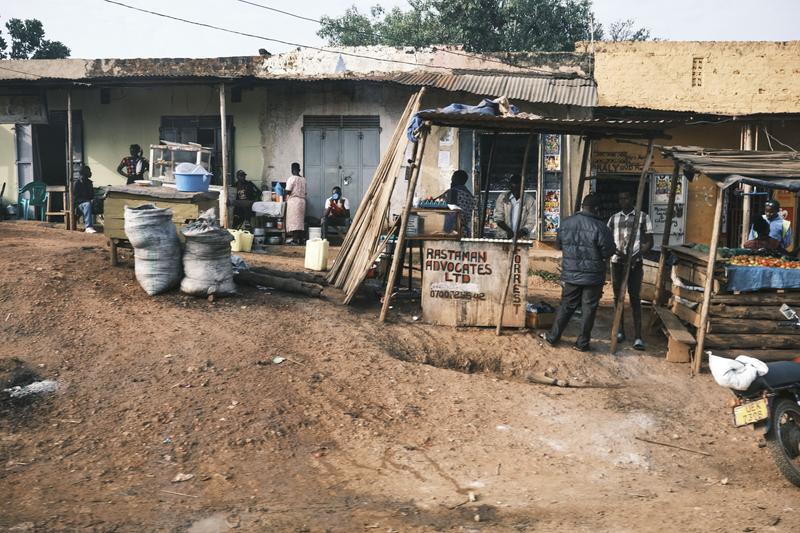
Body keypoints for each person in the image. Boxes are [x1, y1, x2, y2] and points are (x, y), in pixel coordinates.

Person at [542, 194, 615, 352]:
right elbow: (608, 251)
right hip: (593, 276)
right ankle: (582, 343)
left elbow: (558, 245)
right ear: (596, 209)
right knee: (588, 309)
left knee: (567, 306)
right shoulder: (601, 227)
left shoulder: (567, 223)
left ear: (582, 206)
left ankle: (553, 337)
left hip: (571, 274)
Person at [608, 191, 654, 350]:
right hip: (617, 262)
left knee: (635, 298)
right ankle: (619, 331)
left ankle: (638, 336)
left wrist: (638, 253)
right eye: (621, 198)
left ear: (633, 199)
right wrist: (616, 252)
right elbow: (608, 241)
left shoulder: (643, 217)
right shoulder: (614, 218)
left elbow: (649, 242)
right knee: (617, 297)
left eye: (626, 197)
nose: (623, 200)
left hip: (636, 263)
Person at [494, 174, 537, 239]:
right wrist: (508, 231)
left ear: (523, 187)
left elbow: (531, 221)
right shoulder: (502, 197)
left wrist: (522, 232)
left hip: (521, 239)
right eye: (514, 188)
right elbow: (498, 218)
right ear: (510, 187)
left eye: (518, 189)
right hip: (503, 237)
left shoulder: (530, 200)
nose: (516, 192)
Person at [440, 170, 475, 237]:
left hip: (453, 232)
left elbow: (443, 208)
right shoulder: (470, 195)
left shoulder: (452, 192)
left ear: (456, 179)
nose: (451, 181)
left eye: (453, 179)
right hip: (464, 232)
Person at [285, 162, 306, 245]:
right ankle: (300, 240)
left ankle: (294, 240)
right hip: (302, 201)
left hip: (294, 202)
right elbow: (305, 193)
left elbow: (288, 191)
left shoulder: (292, 178)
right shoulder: (303, 179)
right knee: (299, 221)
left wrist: (283, 191)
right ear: (299, 170)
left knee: (294, 221)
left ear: (292, 170)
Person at [74, 165, 96, 234]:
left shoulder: (89, 183)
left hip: (88, 202)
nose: (90, 173)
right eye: (89, 171)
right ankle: (88, 227)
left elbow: (91, 195)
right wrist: (88, 201)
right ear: (84, 173)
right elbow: (75, 199)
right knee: (87, 204)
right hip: (79, 205)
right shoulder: (77, 183)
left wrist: (94, 200)